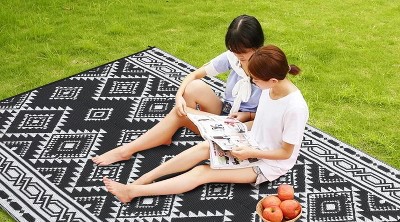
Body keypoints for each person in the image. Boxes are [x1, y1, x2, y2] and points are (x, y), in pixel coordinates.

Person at [102, 45, 309, 203]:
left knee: (203, 172)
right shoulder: (270, 89)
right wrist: (240, 122)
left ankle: (132, 192)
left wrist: (248, 153)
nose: (252, 81)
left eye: (255, 79)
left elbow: (285, 153)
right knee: (203, 147)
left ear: (273, 80)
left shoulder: (295, 108)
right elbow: (266, 120)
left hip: (268, 164)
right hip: (250, 141)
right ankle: (143, 179)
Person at [92, 15, 264, 166]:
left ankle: (127, 150)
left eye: (243, 51)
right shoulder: (232, 57)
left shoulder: (268, 67)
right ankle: (171, 132)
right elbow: (195, 74)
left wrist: (248, 115)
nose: (239, 55)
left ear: (257, 45)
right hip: (226, 111)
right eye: (234, 50)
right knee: (192, 87)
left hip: (248, 122)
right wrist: (179, 96)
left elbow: (274, 114)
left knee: (178, 114)